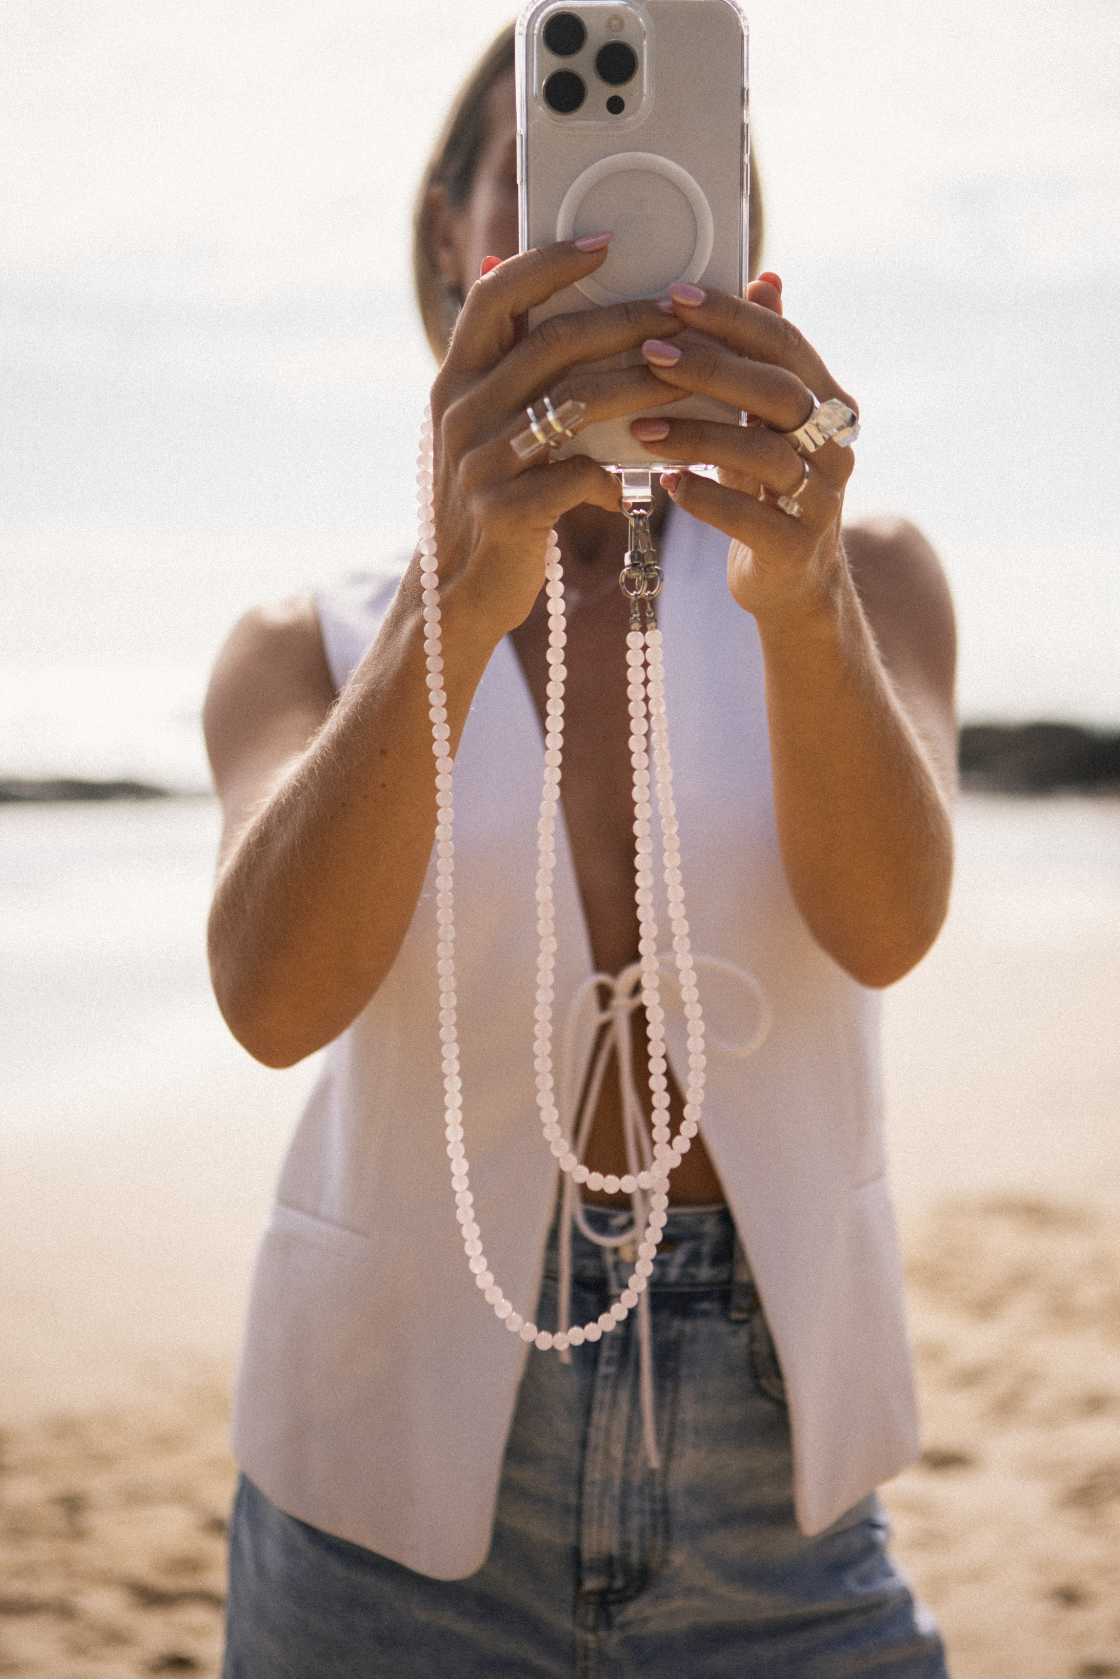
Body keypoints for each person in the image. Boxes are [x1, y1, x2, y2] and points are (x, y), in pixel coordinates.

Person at [206, 19, 957, 1678]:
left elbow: (888, 926)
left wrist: (805, 597)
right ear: (446, 241)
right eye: (539, 190)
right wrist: (453, 595)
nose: (599, 242)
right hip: (383, 1465)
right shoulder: (303, 640)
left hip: (781, 1470)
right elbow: (268, 1005)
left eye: (657, 195)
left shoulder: (862, 571)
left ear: (737, 248)